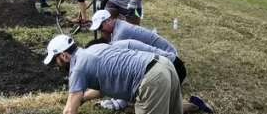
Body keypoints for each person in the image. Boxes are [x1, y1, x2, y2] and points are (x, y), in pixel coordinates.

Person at [43, 34, 183, 114]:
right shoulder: (94, 49)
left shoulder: (77, 69)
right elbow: (101, 89)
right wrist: (83, 98)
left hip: (151, 79)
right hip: (163, 64)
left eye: (56, 60)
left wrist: (74, 101)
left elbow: (69, 111)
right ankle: (195, 105)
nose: (56, 65)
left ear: (63, 55)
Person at [84, 38, 214, 113]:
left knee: (149, 101)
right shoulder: (114, 52)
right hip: (166, 65)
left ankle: (192, 105)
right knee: (161, 104)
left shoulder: (118, 53)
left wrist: (119, 102)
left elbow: (129, 80)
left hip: (167, 68)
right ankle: (194, 104)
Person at [90, 10, 186, 82]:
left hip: (169, 59)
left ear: (109, 20)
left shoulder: (121, 33)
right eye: (98, 29)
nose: (101, 31)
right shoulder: (118, 25)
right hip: (165, 56)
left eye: (101, 27)